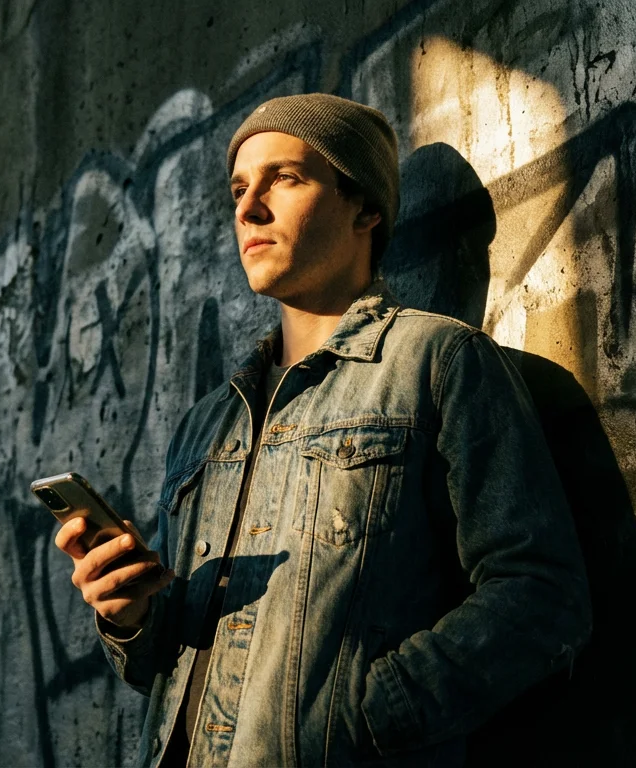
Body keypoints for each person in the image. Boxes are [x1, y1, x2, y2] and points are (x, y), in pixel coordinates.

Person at [54, 93, 591, 767]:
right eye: (240, 189)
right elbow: (168, 653)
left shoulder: (439, 363)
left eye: (286, 179)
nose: (249, 209)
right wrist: (128, 614)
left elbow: (542, 596)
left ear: (365, 208)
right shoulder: (206, 425)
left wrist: (368, 711)